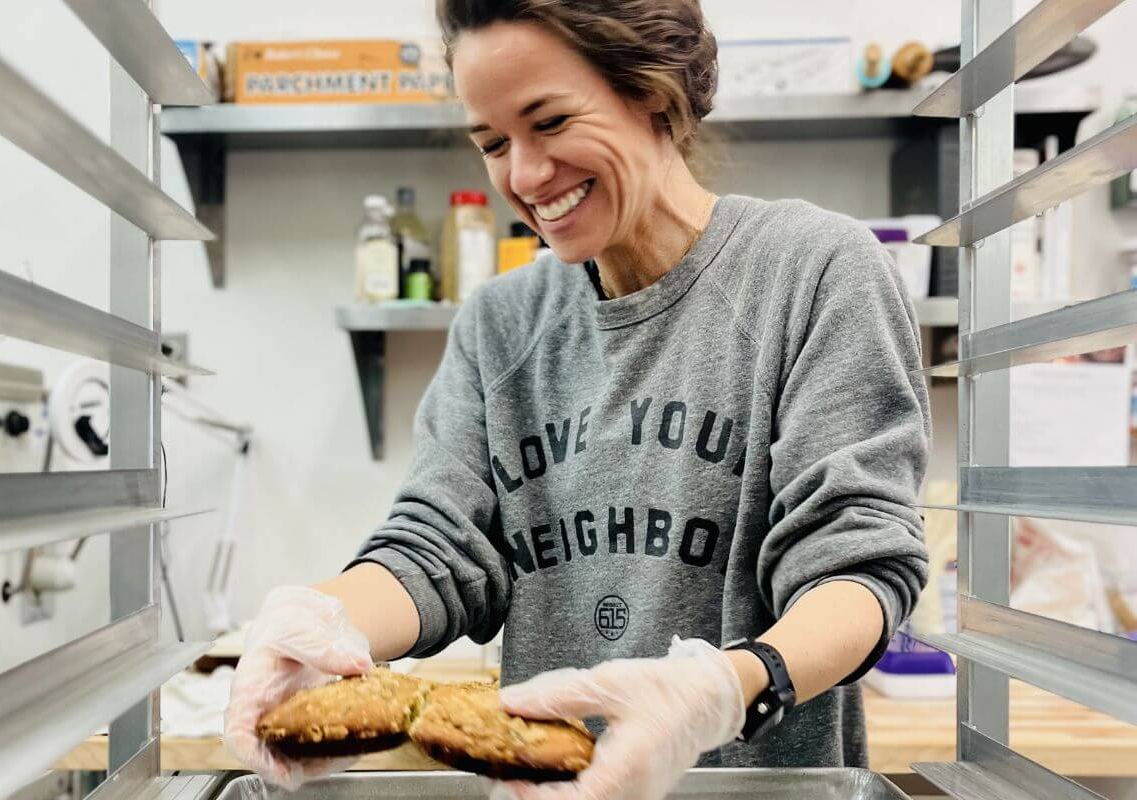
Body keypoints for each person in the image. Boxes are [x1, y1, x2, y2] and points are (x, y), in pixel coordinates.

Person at [225, 1, 931, 797]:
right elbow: (439, 549)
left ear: (654, 94)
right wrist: (321, 621)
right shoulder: (502, 323)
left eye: (550, 121)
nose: (523, 177)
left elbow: (858, 563)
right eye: (492, 142)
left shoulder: (813, 272)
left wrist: (729, 687)